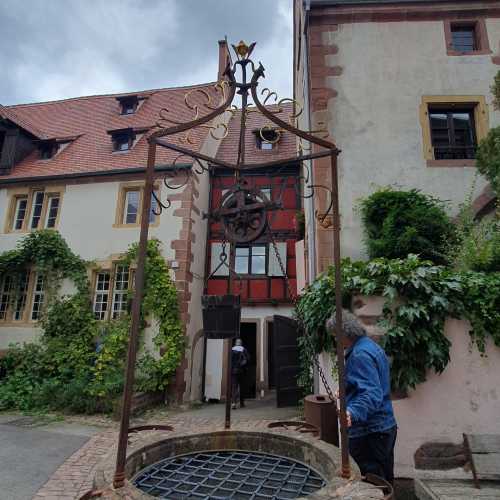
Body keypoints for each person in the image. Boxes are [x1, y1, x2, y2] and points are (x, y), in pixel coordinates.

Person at [327, 309, 397, 484]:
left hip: (369, 432)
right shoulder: (369, 346)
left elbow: (372, 393)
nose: (336, 340)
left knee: (370, 482)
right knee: (384, 478)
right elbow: (370, 381)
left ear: (345, 333)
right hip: (383, 427)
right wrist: (346, 388)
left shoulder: (359, 355)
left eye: (336, 335)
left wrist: (352, 412)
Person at [231, 338, 249, 409]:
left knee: (234, 387)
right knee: (242, 387)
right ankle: (241, 403)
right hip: (242, 371)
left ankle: (233, 403)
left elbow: (230, 361)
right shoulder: (244, 350)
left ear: (235, 343)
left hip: (234, 371)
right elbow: (248, 359)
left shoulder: (232, 350)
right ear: (241, 343)